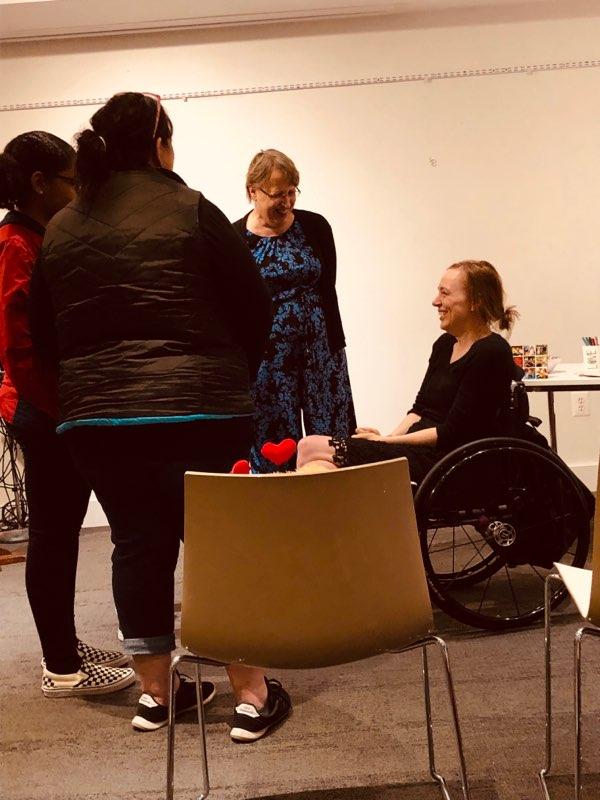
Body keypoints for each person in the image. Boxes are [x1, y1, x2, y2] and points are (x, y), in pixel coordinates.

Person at [29, 93, 291, 741]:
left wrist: (86, 394)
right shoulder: (190, 208)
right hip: (202, 410)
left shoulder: (62, 225)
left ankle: (155, 694)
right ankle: (252, 694)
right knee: (221, 547)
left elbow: (40, 329)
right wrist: (231, 373)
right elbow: (254, 309)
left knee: (137, 544)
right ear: (159, 143)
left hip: (100, 423)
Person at [0, 131, 135, 696]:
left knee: (61, 536)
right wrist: (65, 409)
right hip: (48, 413)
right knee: (54, 539)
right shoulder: (16, 244)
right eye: (69, 179)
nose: (78, 188)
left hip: (59, 409)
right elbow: (17, 347)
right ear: (39, 183)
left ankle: (64, 649)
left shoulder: (38, 236)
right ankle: (62, 666)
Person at [297, 260, 519, 480]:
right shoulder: (444, 345)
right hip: (417, 449)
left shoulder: (492, 351)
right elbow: (419, 409)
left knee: (311, 446)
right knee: (315, 456)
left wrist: (386, 443)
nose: (436, 301)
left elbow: (453, 433)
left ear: (475, 302)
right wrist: (389, 437)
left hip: (448, 460)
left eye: (445, 293)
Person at [233, 149, 355, 472]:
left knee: (328, 437)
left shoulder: (315, 227)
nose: (286, 202)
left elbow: (327, 285)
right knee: (274, 442)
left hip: (320, 353)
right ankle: (280, 514)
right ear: (252, 192)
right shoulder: (236, 239)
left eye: (291, 192)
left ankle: (333, 509)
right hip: (268, 361)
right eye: (276, 194)